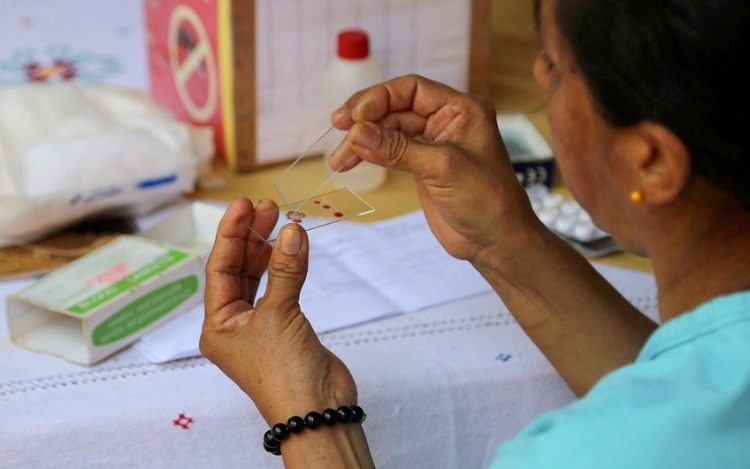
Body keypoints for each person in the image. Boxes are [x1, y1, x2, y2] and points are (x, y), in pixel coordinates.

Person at [199, 0, 750, 466]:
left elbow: (660, 428)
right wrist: (502, 236)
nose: (536, 76)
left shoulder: (588, 451)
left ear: (649, 163)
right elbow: (683, 384)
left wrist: (310, 414)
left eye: (554, 65)